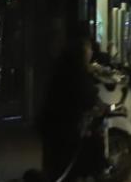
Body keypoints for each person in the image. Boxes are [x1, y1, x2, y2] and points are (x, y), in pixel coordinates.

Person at [38, 36, 102, 181]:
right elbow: (85, 95)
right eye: (89, 49)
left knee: (54, 165)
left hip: (53, 124)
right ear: (83, 52)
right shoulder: (77, 71)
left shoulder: (64, 66)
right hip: (64, 126)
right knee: (66, 165)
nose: (91, 52)